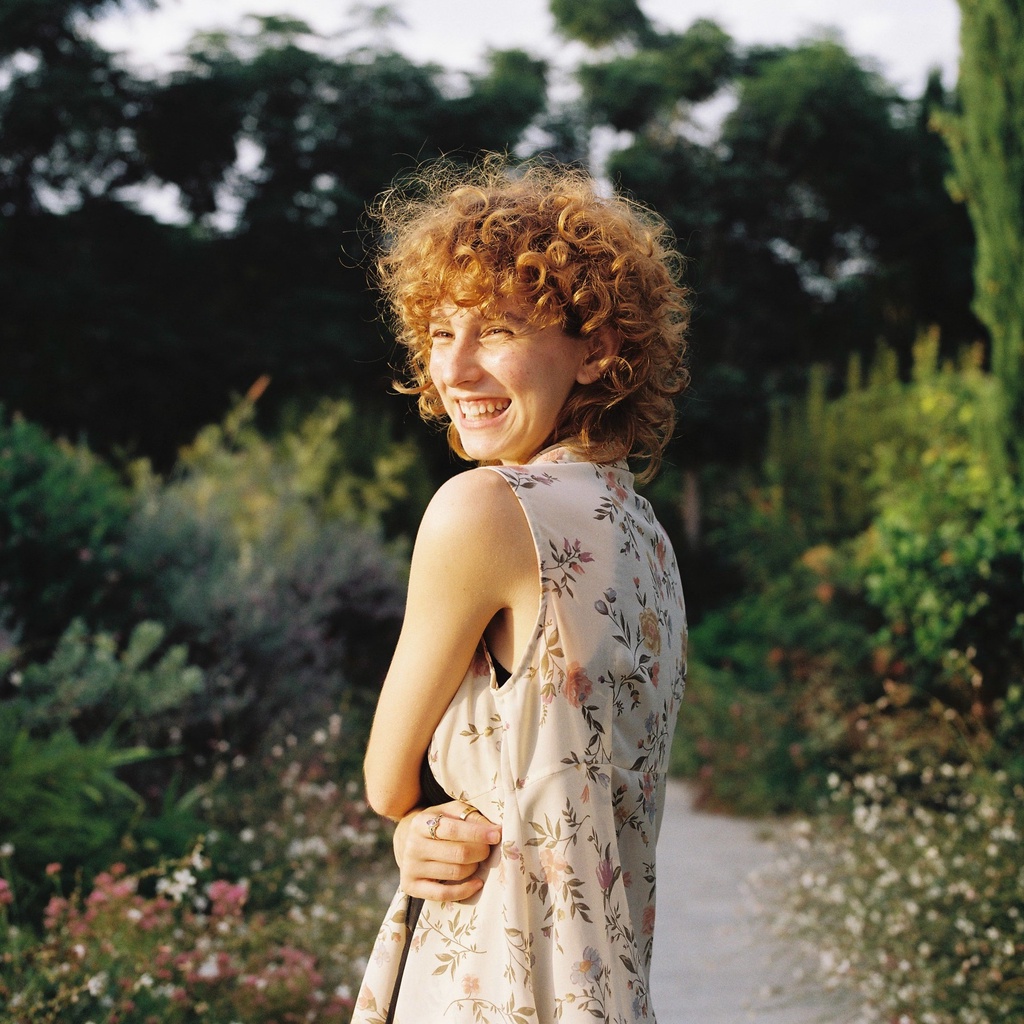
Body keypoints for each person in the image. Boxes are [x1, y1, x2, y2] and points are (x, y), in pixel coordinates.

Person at [354, 157, 689, 1024]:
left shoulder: (484, 510)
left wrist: (415, 827)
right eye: (440, 332)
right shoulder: (647, 537)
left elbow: (387, 781)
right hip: (607, 990)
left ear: (599, 349)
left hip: (496, 980)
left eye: (497, 329)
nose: (456, 369)